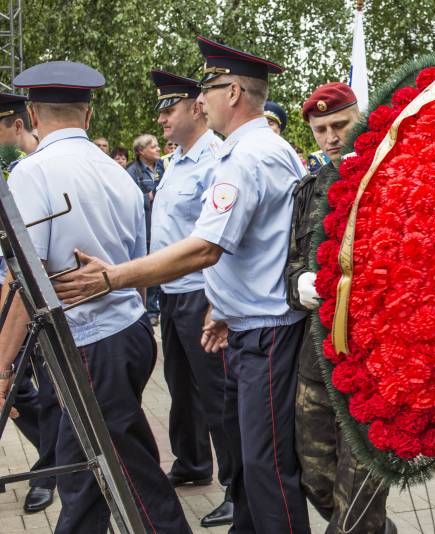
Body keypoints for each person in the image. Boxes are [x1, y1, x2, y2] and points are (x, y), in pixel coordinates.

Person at [54, 37, 310, 533]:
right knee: (252, 458)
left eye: (208, 89)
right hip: (252, 323)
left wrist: (112, 277)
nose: (201, 100)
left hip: (267, 331)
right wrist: (224, 305)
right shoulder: (261, 149)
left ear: (232, 92)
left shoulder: (246, 157)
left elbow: (204, 248)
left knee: (267, 468)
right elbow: (259, 246)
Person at [0, 60, 190, 534]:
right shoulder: (116, 172)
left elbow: (24, 281)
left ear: (33, 115)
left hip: (88, 343)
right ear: (87, 115)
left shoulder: (32, 172)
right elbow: (136, 266)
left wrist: (1, 368)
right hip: (125, 332)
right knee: (83, 471)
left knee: (130, 474)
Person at [286, 81, 396, 534]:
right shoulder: (310, 189)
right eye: (321, 130)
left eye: (339, 125)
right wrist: (299, 283)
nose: (331, 137)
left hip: (378, 364)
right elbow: (292, 260)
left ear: (361, 119)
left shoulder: (393, 179)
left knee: (360, 497)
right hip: (319, 359)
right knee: (314, 476)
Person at [149, 68, 234, 527]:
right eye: (160, 110)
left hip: (202, 292)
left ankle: (237, 488)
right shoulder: (176, 161)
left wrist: (216, 302)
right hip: (172, 293)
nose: (162, 118)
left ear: (197, 108)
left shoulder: (215, 160)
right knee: (181, 386)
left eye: (170, 108)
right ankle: (192, 462)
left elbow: (216, 240)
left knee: (217, 392)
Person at [0, 92, 60, 514]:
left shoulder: (41, 169)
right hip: (9, 296)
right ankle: (53, 458)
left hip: (38, 301)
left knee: (51, 390)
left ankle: (49, 473)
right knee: (17, 390)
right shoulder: (11, 169)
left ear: (18, 125)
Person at [127, 133, 163, 325]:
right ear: (141, 151)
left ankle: (156, 308)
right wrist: (146, 197)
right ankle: (147, 310)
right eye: (153, 146)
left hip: (162, 227)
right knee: (147, 267)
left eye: (157, 145)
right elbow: (128, 199)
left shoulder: (164, 167)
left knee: (160, 266)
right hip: (145, 228)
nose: (158, 149)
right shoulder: (132, 171)